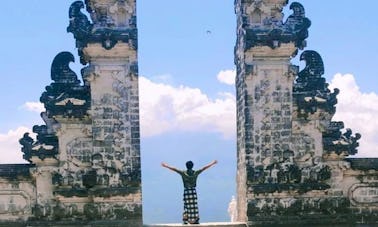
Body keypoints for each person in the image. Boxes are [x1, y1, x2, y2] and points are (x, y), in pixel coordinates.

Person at [161, 160, 218, 224]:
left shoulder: (183, 173)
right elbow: (203, 168)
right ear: (192, 166)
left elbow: (175, 169)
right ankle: (195, 220)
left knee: (186, 206)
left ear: (186, 166)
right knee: (194, 206)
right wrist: (212, 163)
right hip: (193, 191)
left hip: (187, 191)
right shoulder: (195, 173)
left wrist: (166, 166)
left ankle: (186, 220)